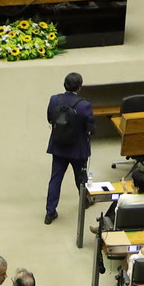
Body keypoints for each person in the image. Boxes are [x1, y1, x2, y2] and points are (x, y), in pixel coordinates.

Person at [45, 70, 95, 224]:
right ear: (79, 87)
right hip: (78, 149)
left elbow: (49, 118)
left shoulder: (54, 100)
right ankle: (85, 200)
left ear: (64, 85)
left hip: (58, 146)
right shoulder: (84, 105)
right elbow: (91, 128)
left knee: (55, 179)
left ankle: (50, 212)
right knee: (81, 178)